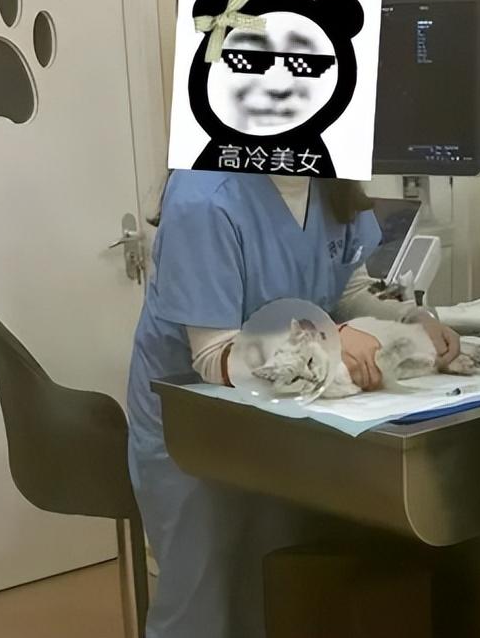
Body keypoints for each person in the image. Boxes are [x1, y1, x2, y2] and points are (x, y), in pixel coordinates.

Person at [126, 170, 460, 638]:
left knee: (280, 588)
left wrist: (412, 320)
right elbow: (214, 355)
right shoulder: (203, 195)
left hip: (284, 424)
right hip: (194, 428)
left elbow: (348, 292)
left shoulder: (328, 182)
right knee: (204, 605)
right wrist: (328, 345)